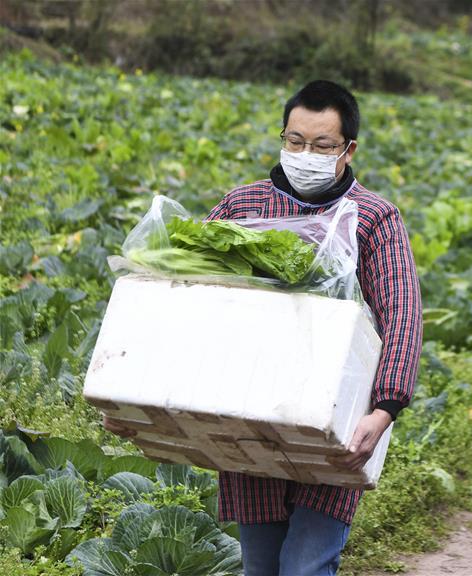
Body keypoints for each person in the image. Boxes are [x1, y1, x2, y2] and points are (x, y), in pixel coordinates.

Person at [106, 80, 423, 576]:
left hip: (333, 421)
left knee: (305, 566)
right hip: (245, 420)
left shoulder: (373, 219)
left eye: (321, 146)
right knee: (259, 568)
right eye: (295, 141)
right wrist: (129, 393)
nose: (305, 154)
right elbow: (187, 305)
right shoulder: (241, 208)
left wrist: (385, 408)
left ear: (348, 149)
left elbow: (402, 314)